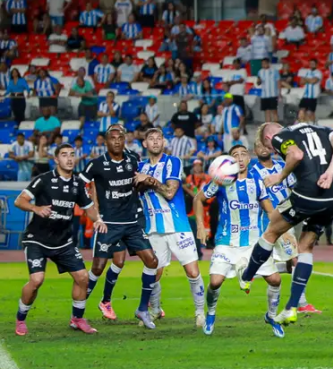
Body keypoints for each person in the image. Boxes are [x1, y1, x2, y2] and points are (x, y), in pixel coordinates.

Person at [240, 122, 333, 325]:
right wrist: (330, 173)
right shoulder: (323, 129)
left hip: (308, 193)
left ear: (268, 139)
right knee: (305, 246)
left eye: (271, 147)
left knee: (271, 230)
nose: (273, 150)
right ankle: (291, 308)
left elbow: (296, 155)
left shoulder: (282, 136)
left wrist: (280, 177)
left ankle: (246, 276)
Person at [13, 144, 106, 336]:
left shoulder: (78, 184)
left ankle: (77, 319)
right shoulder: (44, 180)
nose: (69, 159)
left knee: (82, 278)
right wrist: (36, 209)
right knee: (37, 280)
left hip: (63, 241)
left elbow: (88, 207)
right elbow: (19, 201)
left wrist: (97, 220)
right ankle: (21, 318)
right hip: (37, 240)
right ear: (56, 159)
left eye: (72, 155)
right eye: (64, 155)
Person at [194, 145, 285, 337]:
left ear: (249, 159)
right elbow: (198, 199)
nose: (240, 158)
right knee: (215, 282)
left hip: (254, 243)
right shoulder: (221, 181)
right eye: (235, 155)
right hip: (227, 242)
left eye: (244, 154)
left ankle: (271, 316)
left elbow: (269, 210)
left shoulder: (257, 182)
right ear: (230, 161)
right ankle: (210, 313)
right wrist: (201, 226)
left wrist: (283, 231)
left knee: (275, 280)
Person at [80, 125, 160, 328]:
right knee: (98, 267)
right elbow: (78, 185)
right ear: (106, 141)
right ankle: (78, 312)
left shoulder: (133, 159)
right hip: (109, 224)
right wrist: (93, 212)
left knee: (151, 261)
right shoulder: (96, 164)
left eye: (120, 137)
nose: (116, 141)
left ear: (124, 140)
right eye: (112, 138)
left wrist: (144, 181)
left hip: (132, 222)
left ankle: (142, 309)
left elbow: (138, 185)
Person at [134, 128, 206, 327]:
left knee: (192, 271)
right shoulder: (138, 166)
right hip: (153, 228)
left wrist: (148, 180)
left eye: (159, 138)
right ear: (145, 144)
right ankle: (155, 310)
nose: (156, 142)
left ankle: (200, 312)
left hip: (177, 226)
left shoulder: (173, 162)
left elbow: (169, 192)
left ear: (164, 142)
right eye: (151, 139)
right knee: (153, 272)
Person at [251, 138, 320, 314]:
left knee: (290, 263)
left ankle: (251, 272)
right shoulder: (253, 172)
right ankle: (302, 302)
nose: (262, 148)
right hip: (266, 220)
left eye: (264, 145)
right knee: (295, 259)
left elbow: (294, 188)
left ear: (270, 148)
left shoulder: (283, 167)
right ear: (255, 150)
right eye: (258, 146)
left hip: (286, 218)